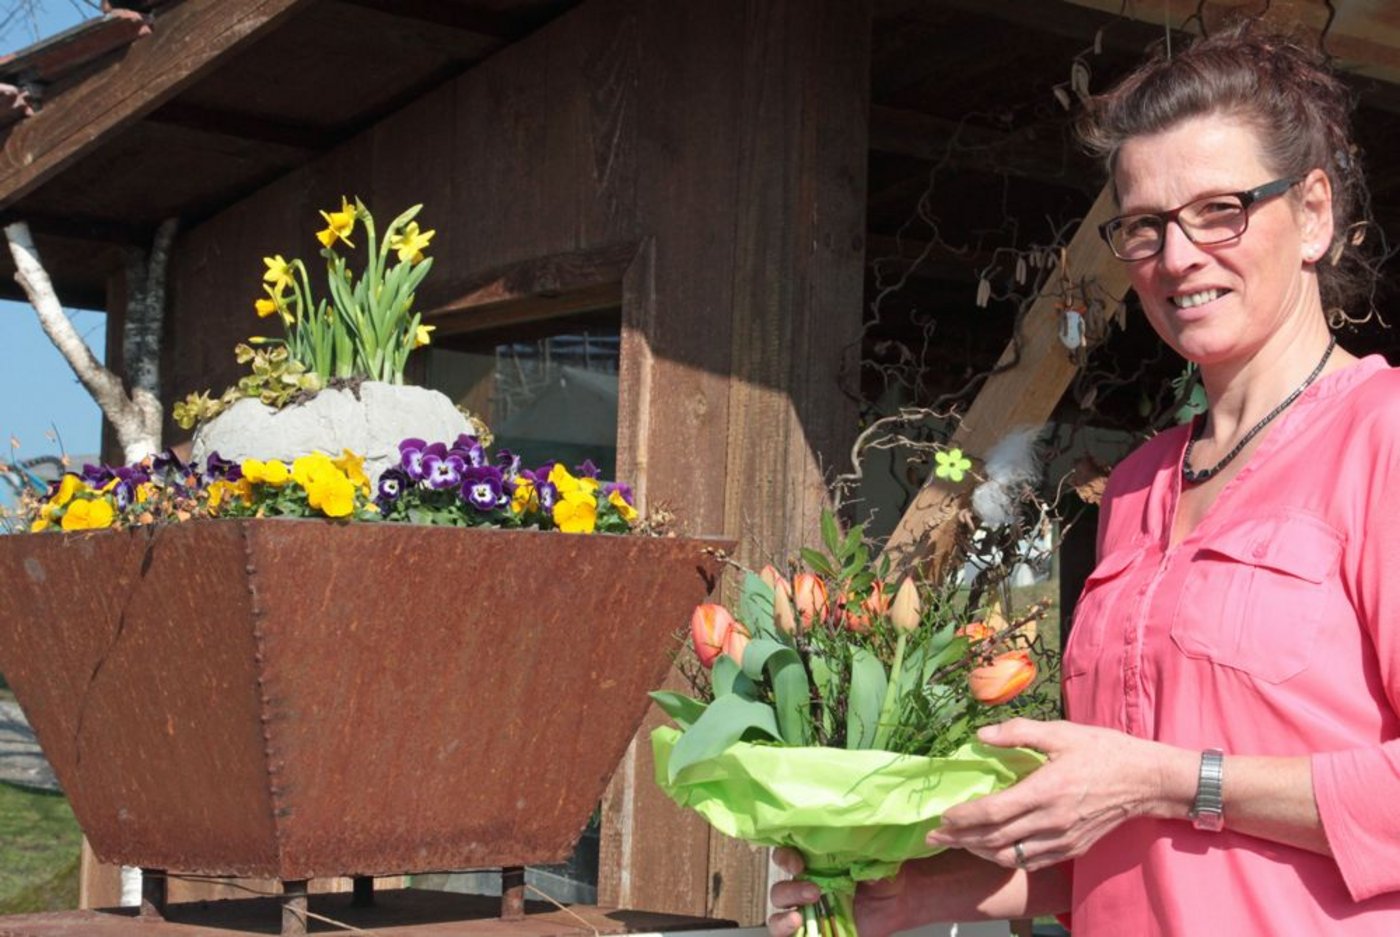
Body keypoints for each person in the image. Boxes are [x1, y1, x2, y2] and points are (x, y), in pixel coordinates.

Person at [769, 19, 1400, 936]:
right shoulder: (1138, 486)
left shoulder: (1381, 438)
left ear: (1312, 213)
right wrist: (907, 894)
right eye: (1145, 226)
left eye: (1220, 209)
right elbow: (1124, 841)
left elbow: (1155, 795)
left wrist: (1171, 778)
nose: (1178, 256)